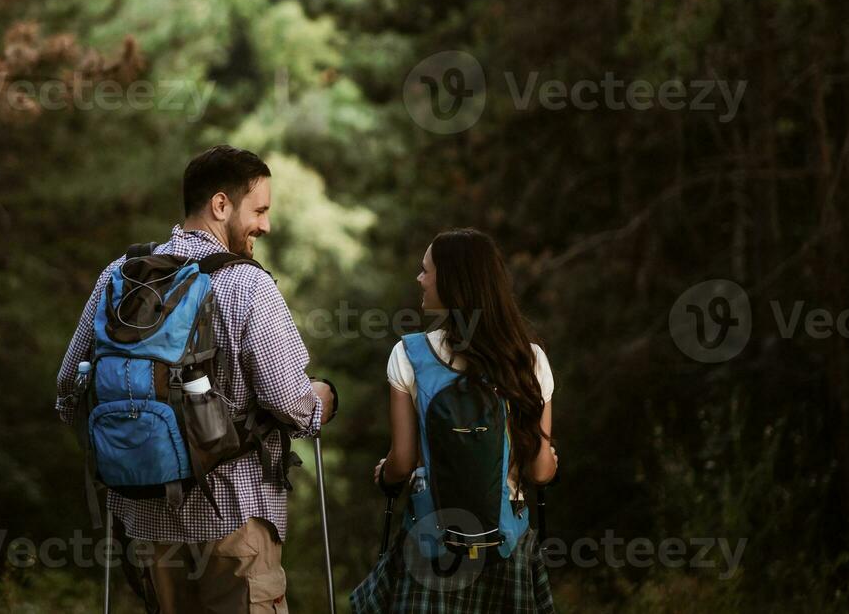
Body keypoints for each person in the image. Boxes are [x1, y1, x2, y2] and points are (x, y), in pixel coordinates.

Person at [56, 145, 337, 614]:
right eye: (260, 210)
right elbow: (291, 402)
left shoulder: (120, 276)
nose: (265, 225)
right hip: (233, 521)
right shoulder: (248, 284)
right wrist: (323, 401)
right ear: (221, 205)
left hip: (144, 522)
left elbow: (68, 388)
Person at [351, 228, 558, 614]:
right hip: (506, 548)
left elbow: (403, 461)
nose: (419, 279)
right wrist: (550, 461)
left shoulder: (408, 354)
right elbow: (540, 470)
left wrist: (385, 474)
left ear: (452, 281)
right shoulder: (529, 360)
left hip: (431, 549)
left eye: (426, 270)